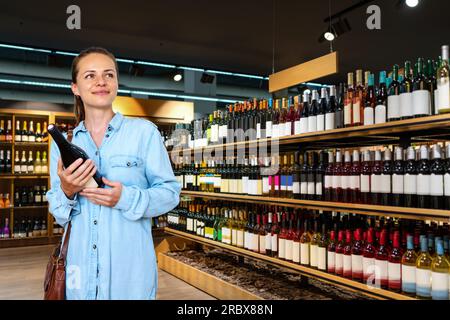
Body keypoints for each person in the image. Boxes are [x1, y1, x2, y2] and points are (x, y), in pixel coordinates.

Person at [46, 47, 180, 300]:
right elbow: (60, 213)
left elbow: (170, 194)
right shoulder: (62, 144)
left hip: (130, 279)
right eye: (90, 76)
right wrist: (67, 190)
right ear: (75, 87)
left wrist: (125, 199)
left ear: (117, 83)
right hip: (80, 277)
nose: (101, 82)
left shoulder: (144, 133)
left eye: (109, 75)